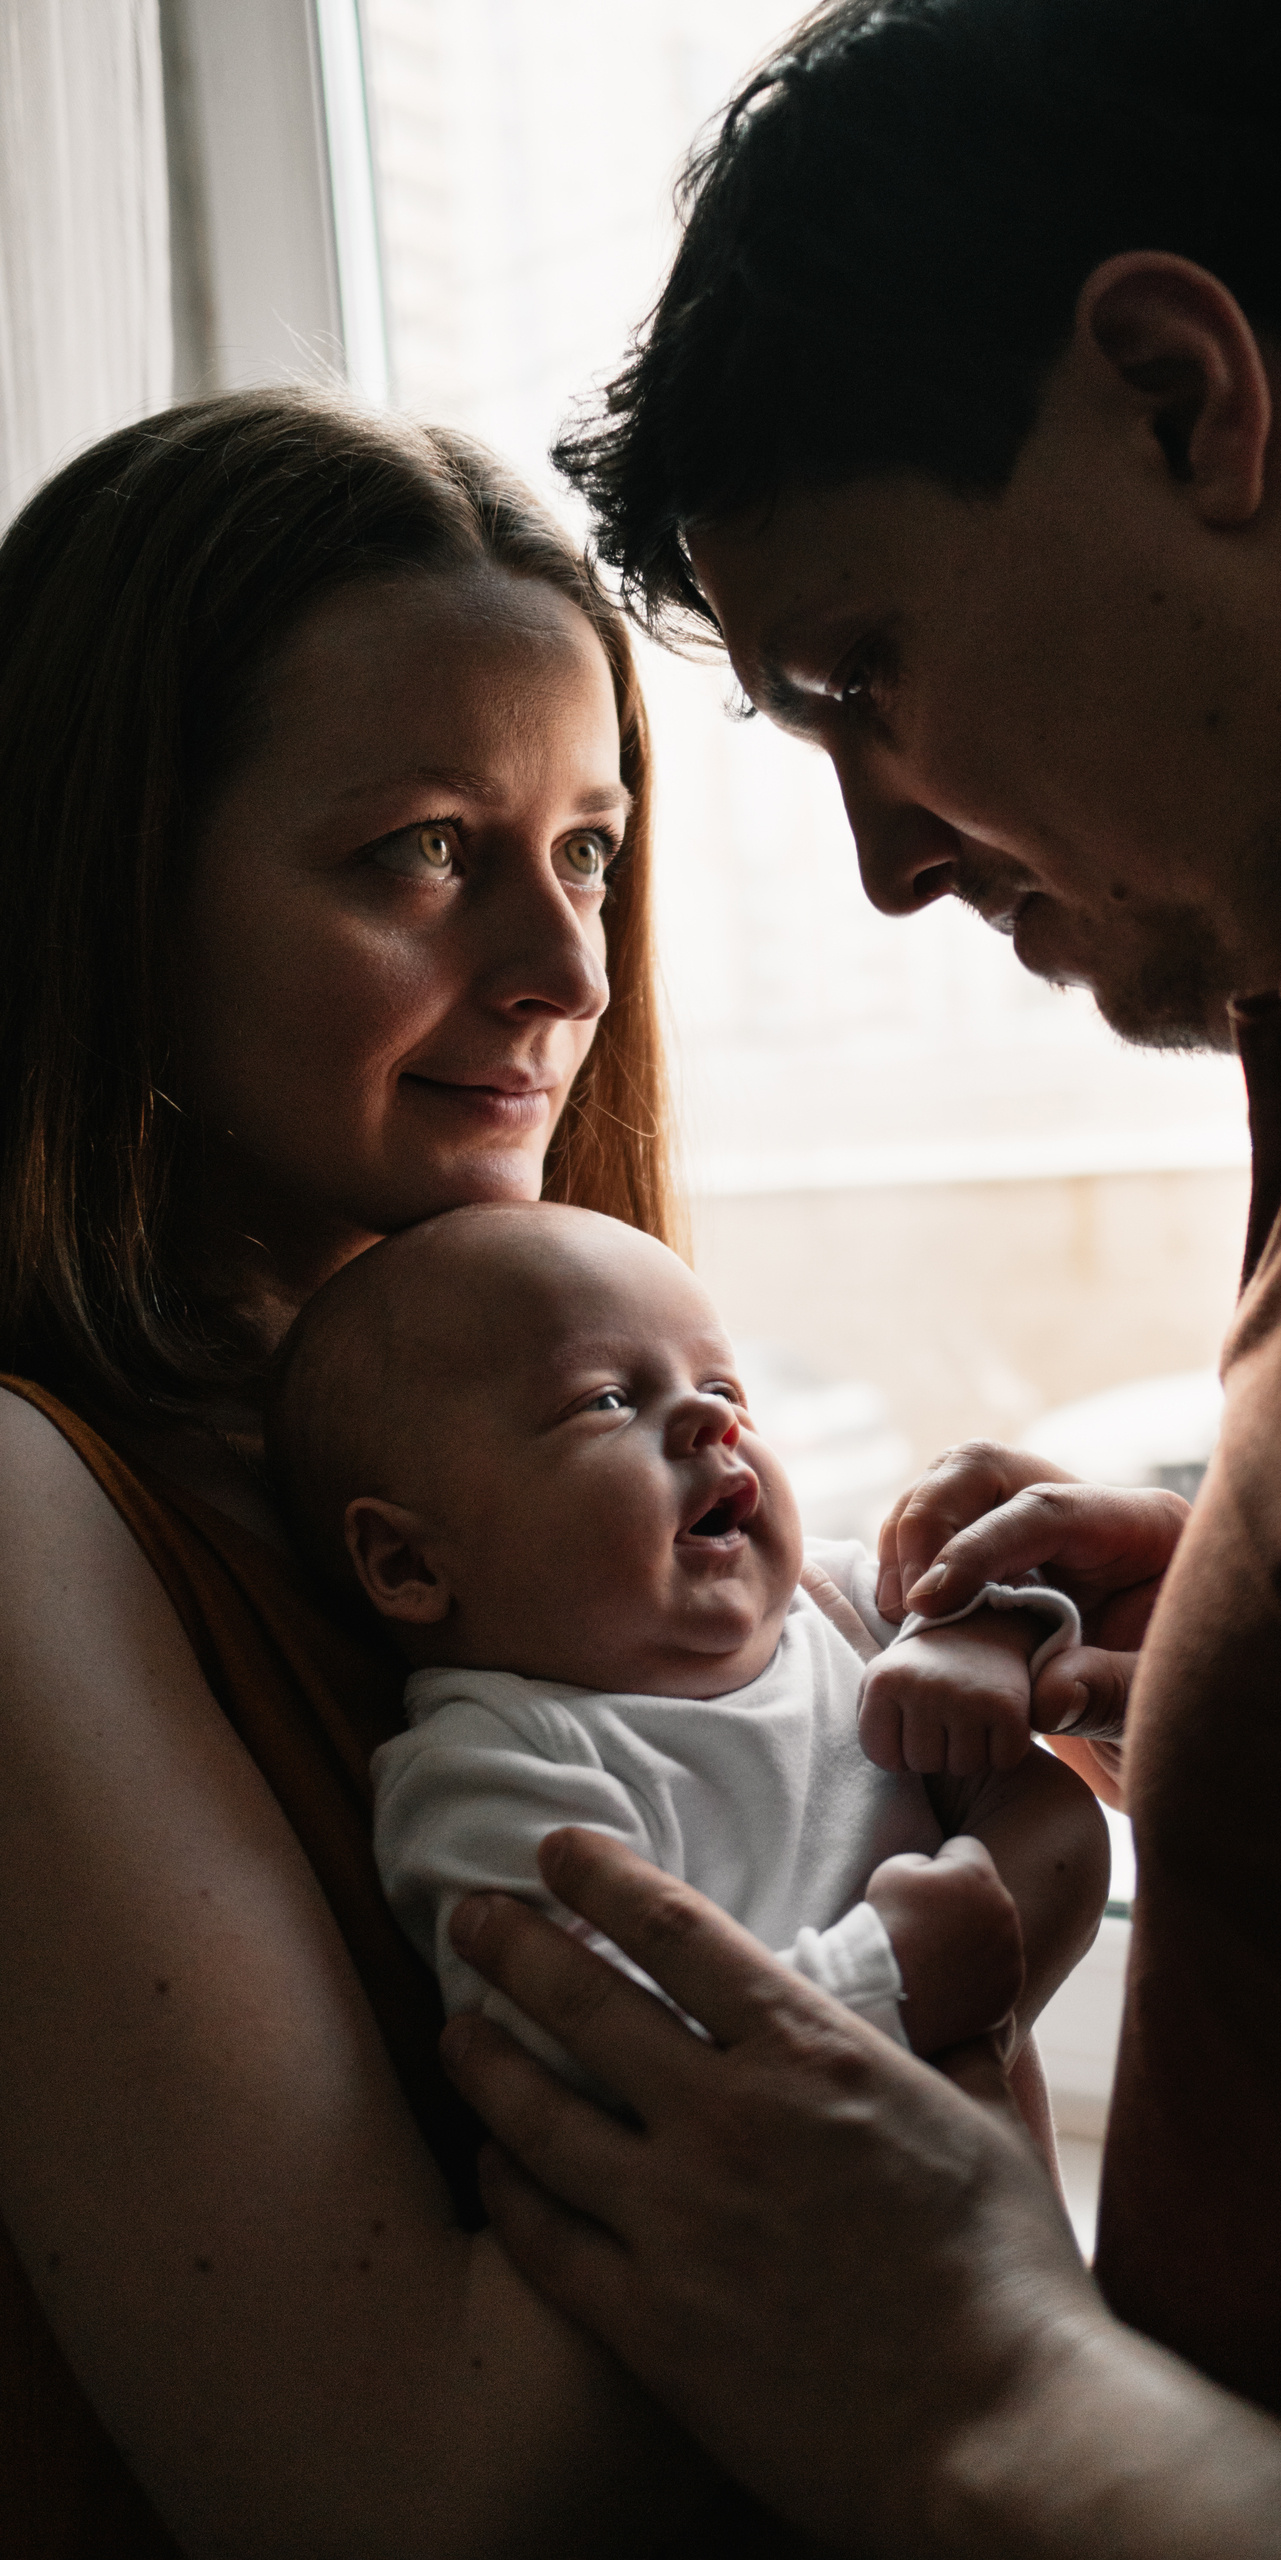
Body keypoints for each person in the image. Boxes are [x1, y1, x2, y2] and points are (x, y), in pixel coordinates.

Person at [433, 2, 1281, 2555]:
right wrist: (1279, 1610)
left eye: (861, 675)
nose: (894, 860)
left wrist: (970, 2367)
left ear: (1172, 391)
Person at [0, 390, 779, 2556]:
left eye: (590, 850)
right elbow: (403, 2493)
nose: (557, 974)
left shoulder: (588, 1456)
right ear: (108, 888)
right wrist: (916, 1922)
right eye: (422, 848)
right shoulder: (27, 1510)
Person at [263, 1197, 1108, 2090]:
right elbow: (591, 2046)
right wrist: (889, 1985)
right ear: (409, 1562)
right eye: (608, 1400)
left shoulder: (829, 1604)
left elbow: (1019, 1589)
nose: (715, 1425)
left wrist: (976, 1640)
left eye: (721, 1388)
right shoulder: (494, 1765)